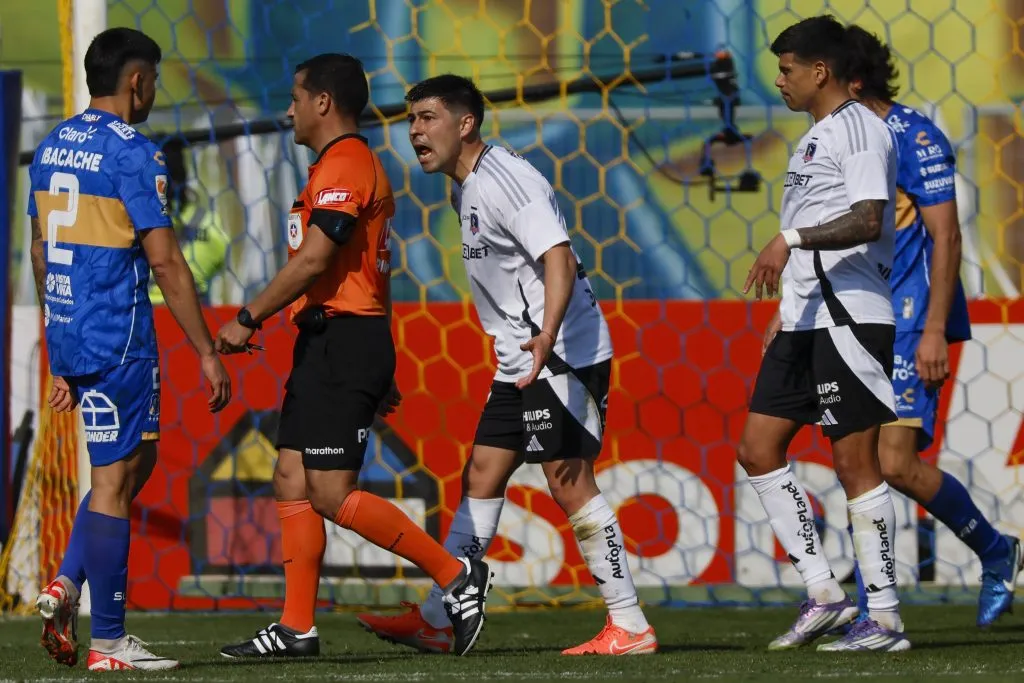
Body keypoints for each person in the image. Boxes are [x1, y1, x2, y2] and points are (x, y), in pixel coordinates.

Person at [355, 74, 658, 656]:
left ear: (465, 124)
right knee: (482, 478)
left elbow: (559, 258)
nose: (414, 131)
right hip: (519, 359)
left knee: (568, 482)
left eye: (426, 118)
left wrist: (545, 336)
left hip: (560, 353)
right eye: (411, 120)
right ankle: (440, 617)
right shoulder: (463, 186)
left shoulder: (505, 181)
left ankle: (631, 624)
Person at [214, 54, 492, 659]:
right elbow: (364, 269)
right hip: (330, 342)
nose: (287, 109)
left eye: (295, 96)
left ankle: (456, 574)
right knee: (290, 475)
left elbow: (315, 259)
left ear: (322, 103)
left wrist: (246, 317)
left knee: (330, 492)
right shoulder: (331, 167)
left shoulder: (347, 162)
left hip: (345, 341)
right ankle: (296, 628)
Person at [27, 27, 232, 671]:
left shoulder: (51, 144)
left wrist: (59, 347)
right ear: (137, 80)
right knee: (117, 481)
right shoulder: (134, 154)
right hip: (119, 334)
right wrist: (205, 350)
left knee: (129, 469)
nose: (154, 91)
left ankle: (65, 582)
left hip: (73, 329)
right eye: (154, 80)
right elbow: (166, 262)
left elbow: (39, 249)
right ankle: (111, 644)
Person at [739, 16, 909, 652]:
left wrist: (789, 239)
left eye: (786, 69)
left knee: (853, 462)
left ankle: (885, 618)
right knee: (758, 448)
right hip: (806, 316)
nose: (779, 79)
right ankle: (824, 593)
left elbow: (868, 218)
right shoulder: (813, 139)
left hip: (851, 315)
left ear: (820, 72)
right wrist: (786, 305)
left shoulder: (863, 128)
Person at [844, 23, 1022, 627]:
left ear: (851, 77)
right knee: (859, 465)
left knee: (893, 464)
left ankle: (995, 550)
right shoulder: (840, 138)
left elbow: (947, 234)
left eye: (811, 69)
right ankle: (874, 606)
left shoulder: (911, 135)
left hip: (911, 318)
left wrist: (932, 330)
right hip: (855, 320)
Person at [148, 141, 229, 306]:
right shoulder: (209, 222)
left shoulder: (136, 221)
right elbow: (221, 255)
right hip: (194, 310)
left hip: (145, 312)